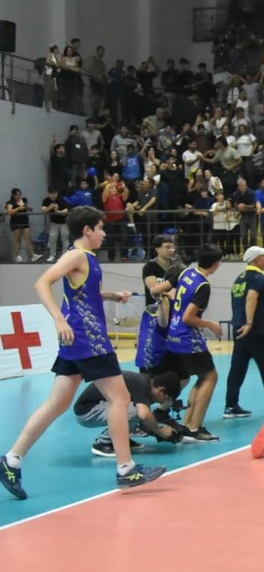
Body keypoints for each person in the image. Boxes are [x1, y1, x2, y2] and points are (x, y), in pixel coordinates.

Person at [2, 207, 165, 500]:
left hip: (77, 341)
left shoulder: (86, 259)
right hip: (89, 339)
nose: (104, 233)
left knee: (57, 403)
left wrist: (112, 295)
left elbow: (83, 293)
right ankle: (126, 468)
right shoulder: (76, 255)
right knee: (120, 399)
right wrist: (58, 319)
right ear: (87, 230)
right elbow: (42, 283)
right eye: (100, 228)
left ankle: (11, 460)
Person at [163, 243, 224, 443]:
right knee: (211, 377)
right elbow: (189, 317)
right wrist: (211, 325)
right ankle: (195, 428)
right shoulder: (203, 285)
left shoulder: (186, 272)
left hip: (173, 335)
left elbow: (158, 289)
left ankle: (188, 424)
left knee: (202, 377)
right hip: (188, 338)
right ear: (215, 264)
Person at [74, 370, 182, 457]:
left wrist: (160, 433)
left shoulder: (146, 382)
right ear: (161, 390)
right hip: (87, 412)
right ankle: (104, 442)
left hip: (95, 407)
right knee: (136, 410)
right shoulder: (142, 385)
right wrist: (161, 432)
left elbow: (143, 422)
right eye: (166, 399)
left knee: (137, 409)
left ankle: (121, 438)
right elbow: (143, 415)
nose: (162, 402)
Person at [224, 246, 264, 418]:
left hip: (239, 330)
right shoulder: (258, 277)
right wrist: (250, 323)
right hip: (255, 332)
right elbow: (251, 297)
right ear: (256, 260)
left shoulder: (239, 278)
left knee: (237, 368)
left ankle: (230, 405)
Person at [142, 235, 176, 299]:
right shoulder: (149, 267)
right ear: (158, 249)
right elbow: (155, 290)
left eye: (172, 247)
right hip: (155, 304)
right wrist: (171, 294)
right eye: (167, 247)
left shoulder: (177, 267)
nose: (171, 250)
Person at [42, 186, 71, 261]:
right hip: (54, 222)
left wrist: (57, 211)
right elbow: (44, 210)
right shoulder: (46, 200)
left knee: (65, 238)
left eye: (55, 193)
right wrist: (50, 207)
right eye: (52, 194)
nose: (53, 195)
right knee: (52, 238)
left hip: (64, 222)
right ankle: (52, 255)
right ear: (49, 194)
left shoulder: (62, 200)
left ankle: (64, 255)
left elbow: (66, 211)